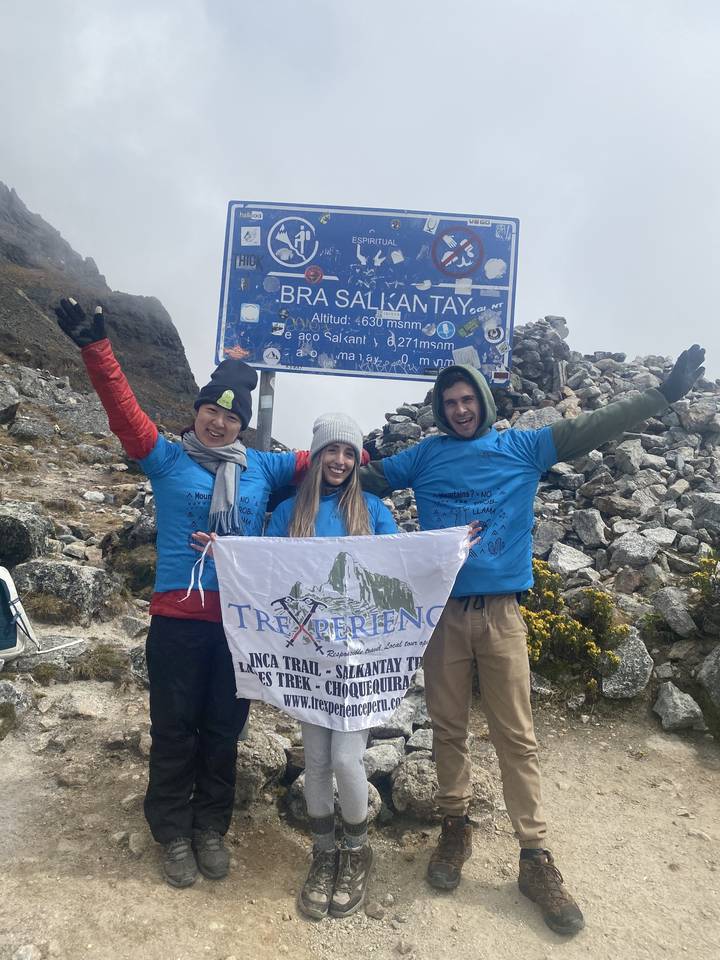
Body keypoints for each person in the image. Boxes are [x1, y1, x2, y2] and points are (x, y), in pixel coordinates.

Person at [360, 344, 706, 935]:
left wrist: (663, 395)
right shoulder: (424, 457)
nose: (461, 409)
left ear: (484, 402)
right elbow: (357, 478)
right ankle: (455, 829)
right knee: (447, 728)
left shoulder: (523, 446)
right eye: (450, 402)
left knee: (515, 737)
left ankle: (535, 856)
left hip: (501, 616)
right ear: (440, 410)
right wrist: (291, 475)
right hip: (441, 616)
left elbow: (595, 424)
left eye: (468, 399)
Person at [54, 297, 310, 889]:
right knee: (174, 729)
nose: (218, 423)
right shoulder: (168, 459)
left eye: (231, 417)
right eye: (210, 412)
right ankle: (171, 832)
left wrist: (373, 456)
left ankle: (210, 827)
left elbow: (331, 462)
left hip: (239, 628)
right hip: (177, 620)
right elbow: (124, 415)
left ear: (242, 424)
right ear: (196, 413)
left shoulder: (264, 469)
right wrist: (97, 349)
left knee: (224, 730)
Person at [265, 413, 397, 921]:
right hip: (309, 660)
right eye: (331, 452)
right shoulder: (287, 514)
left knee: (346, 760)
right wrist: (222, 552)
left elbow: (404, 565)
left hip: (359, 663)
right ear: (316, 456)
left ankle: (357, 851)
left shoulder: (374, 511)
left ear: (357, 462)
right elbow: (261, 567)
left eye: (349, 454)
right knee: (316, 762)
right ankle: (324, 856)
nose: (340, 461)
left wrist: (451, 549)